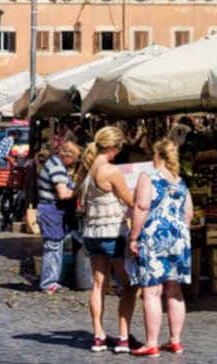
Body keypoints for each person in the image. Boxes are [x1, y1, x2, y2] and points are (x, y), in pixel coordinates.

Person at [129, 139, 193, 357]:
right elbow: (189, 214)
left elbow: (142, 206)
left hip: (155, 236)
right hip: (179, 237)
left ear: (157, 155)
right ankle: (175, 341)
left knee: (152, 290)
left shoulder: (149, 177)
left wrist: (134, 236)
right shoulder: (180, 181)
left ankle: (152, 343)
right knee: (174, 290)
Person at [78, 125, 139, 353]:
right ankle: (123, 337)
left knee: (98, 284)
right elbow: (130, 200)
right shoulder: (111, 171)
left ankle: (99, 335)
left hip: (92, 233)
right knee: (130, 284)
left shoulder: (86, 168)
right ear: (113, 147)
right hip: (112, 232)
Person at [37, 141, 80, 292]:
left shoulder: (56, 163)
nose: (75, 161)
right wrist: (79, 191)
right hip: (51, 210)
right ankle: (49, 283)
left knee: (55, 246)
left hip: (52, 210)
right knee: (53, 246)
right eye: (74, 158)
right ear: (66, 155)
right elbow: (63, 193)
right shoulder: (57, 167)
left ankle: (53, 280)